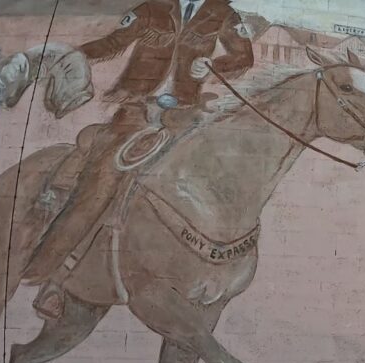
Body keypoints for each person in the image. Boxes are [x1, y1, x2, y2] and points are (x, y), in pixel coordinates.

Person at [25, 0, 255, 319]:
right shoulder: (152, 8)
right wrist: (71, 55)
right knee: (101, 182)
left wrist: (217, 66)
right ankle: (52, 275)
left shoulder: (223, 14)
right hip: (136, 110)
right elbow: (113, 43)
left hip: (186, 114)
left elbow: (244, 56)